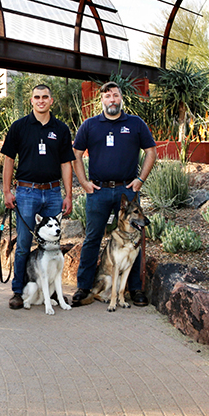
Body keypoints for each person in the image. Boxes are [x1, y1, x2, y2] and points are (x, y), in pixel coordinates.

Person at [72, 81, 157, 307]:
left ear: (121, 99)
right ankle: (84, 286)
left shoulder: (135, 123)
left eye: (116, 95)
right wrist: (83, 182)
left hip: (126, 191)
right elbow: (76, 154)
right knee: (93, 238)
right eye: (108, 96)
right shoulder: (90, 125)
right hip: (98, 191)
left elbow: (151, 152)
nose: (112, 100)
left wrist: (140, 180)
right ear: (101, 100)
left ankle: (135, 290)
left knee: (135, 239)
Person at [1, 84, 74, 310]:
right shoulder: (19, 127)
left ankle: (51, 293)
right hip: (26, 193)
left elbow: (66, 163)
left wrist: (68, 194)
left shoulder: (61, 129)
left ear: (51, 100)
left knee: (52, 244)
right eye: (36, 97)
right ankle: (18, 291)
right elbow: (8, 160)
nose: (41, 100)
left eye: (45, 97)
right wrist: (6, 191)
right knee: (23, 244)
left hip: (53, 192)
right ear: (31, 100)